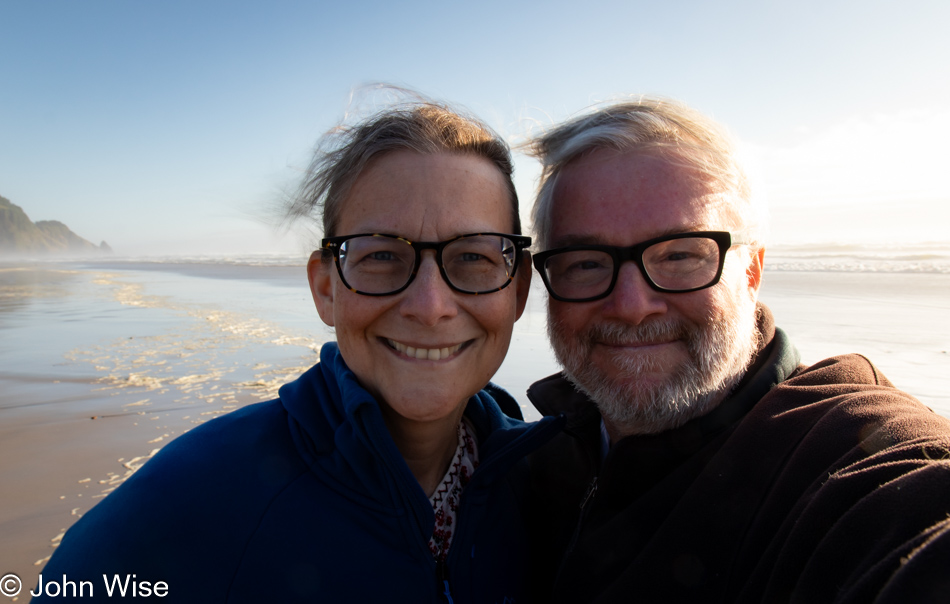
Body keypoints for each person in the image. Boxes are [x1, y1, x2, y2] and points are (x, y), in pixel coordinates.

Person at [34, 99, 562, 603]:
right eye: (381, 255)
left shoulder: (550, 486)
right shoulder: (197, 496)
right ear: (326, 287)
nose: (429, 306)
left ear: (516, 290)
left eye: (473, 256)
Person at [522, 96, 950, 603]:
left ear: (751, 272)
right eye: (586, 261)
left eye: (681, 254)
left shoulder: (848, 450)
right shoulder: (522, 461)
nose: (631, 306)